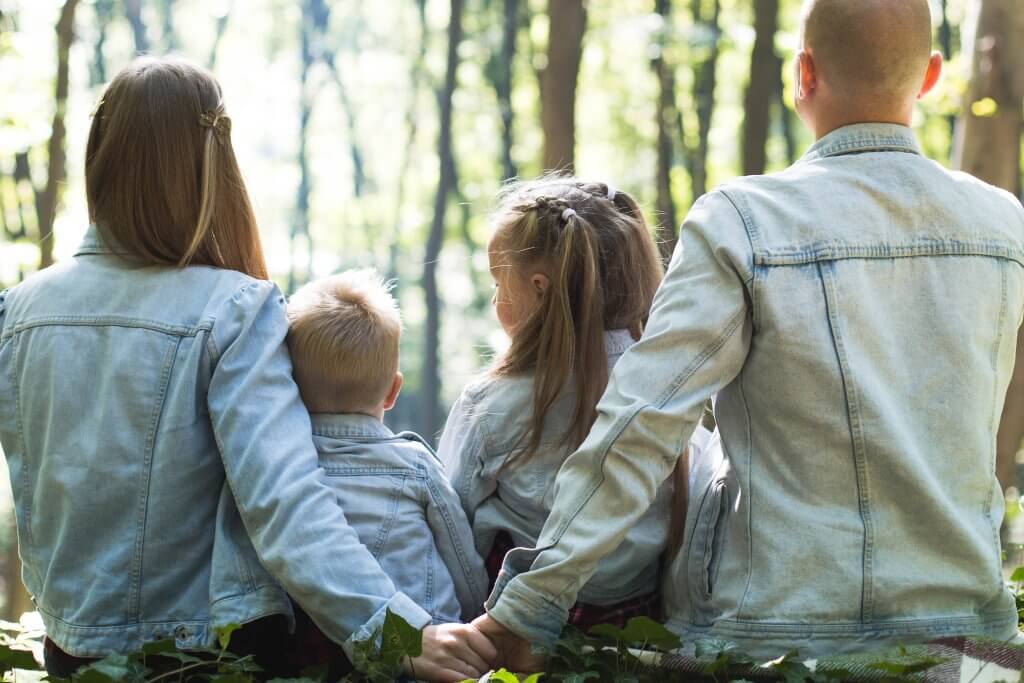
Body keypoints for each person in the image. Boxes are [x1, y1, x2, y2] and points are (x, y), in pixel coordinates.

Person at [471, 0, 1024, 666]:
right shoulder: (1004, 228)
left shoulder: (743, 221)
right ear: (931, 77)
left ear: (803, 73)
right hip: (964, 638)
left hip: (770, 637)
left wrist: (531, 604)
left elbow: (642, 421)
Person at [0, 57, 494, 682]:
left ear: (101, 154)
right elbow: (286, 505)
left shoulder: (17, 311)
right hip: (201, 660)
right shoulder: (234, 309)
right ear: (212, 166)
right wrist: (398, 634)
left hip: (69, 656)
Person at [438, 178, 719, 631]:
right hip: (635, 628)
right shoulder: (671, 397)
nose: (494, 299)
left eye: (498, 282)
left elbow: (450, 521)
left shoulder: (492, 404)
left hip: (512, 630)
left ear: (540, 287)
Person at [284, 269, 488, 627]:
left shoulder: (280, 468)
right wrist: (474, 617)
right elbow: (463, 563)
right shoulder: (415, 466)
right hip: (427, 641)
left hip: (319, 648)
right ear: (393, 392)